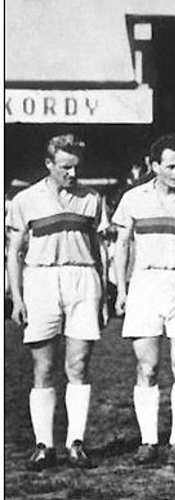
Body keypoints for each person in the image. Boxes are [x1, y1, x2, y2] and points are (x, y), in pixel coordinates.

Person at [7, 134, 109, 470]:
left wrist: (104, 295)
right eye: (65, 167)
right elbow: (14, 253)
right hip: (41, 279)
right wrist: (17, 297)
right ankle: (44, 445)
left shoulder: (92, 198)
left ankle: (76, 443)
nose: (72, 174)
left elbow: (100, 250)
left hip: (83, 278)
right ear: (48, 164)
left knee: (78, 366)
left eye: (76, 167)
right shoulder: (25, 200)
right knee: (44, 367)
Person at [113, 134, 175, 468]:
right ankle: (148, 441)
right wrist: (122, 290)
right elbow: (122, 246)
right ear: (154, 165)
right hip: (145, 283)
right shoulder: (133, 199)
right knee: (147, 366)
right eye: (170, 166)